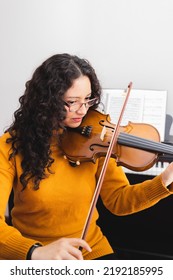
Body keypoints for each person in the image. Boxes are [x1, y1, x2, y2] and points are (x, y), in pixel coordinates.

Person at [0, 53, 173, 261]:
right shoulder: (10, 146)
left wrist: (164, 180)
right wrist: (34, 251)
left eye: (88, 99)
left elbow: (119, 200)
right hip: (38, 256)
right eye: (72, 102)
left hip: (91, 251)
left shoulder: (95, 140)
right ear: (45, 101)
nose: (83, 110)